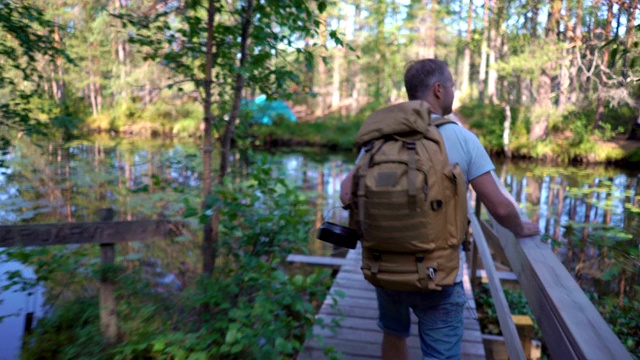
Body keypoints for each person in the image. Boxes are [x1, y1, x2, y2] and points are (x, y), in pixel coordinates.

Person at [339, 58, 540, 360]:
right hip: (438, 274)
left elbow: (345, 193)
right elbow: (498, 206)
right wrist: (521, 227)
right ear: (438, 90)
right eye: (452, 87)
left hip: (385, 264)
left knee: (393, 333)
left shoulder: (379, 139)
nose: (453, 93)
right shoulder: (460, 137)